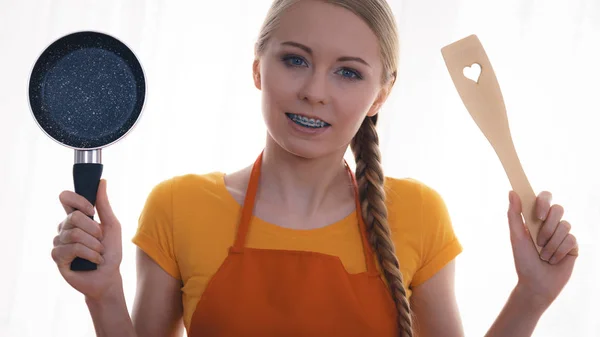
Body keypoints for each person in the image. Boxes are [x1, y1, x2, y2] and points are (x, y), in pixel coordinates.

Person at [51, 0, 579, 336]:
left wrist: (531, 297)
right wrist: (105, 296)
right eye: (295, 59)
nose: (314, 91)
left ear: (381, 95)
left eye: (348, 72)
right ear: (259, 68)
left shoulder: (417, 214)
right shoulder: (179, 206)